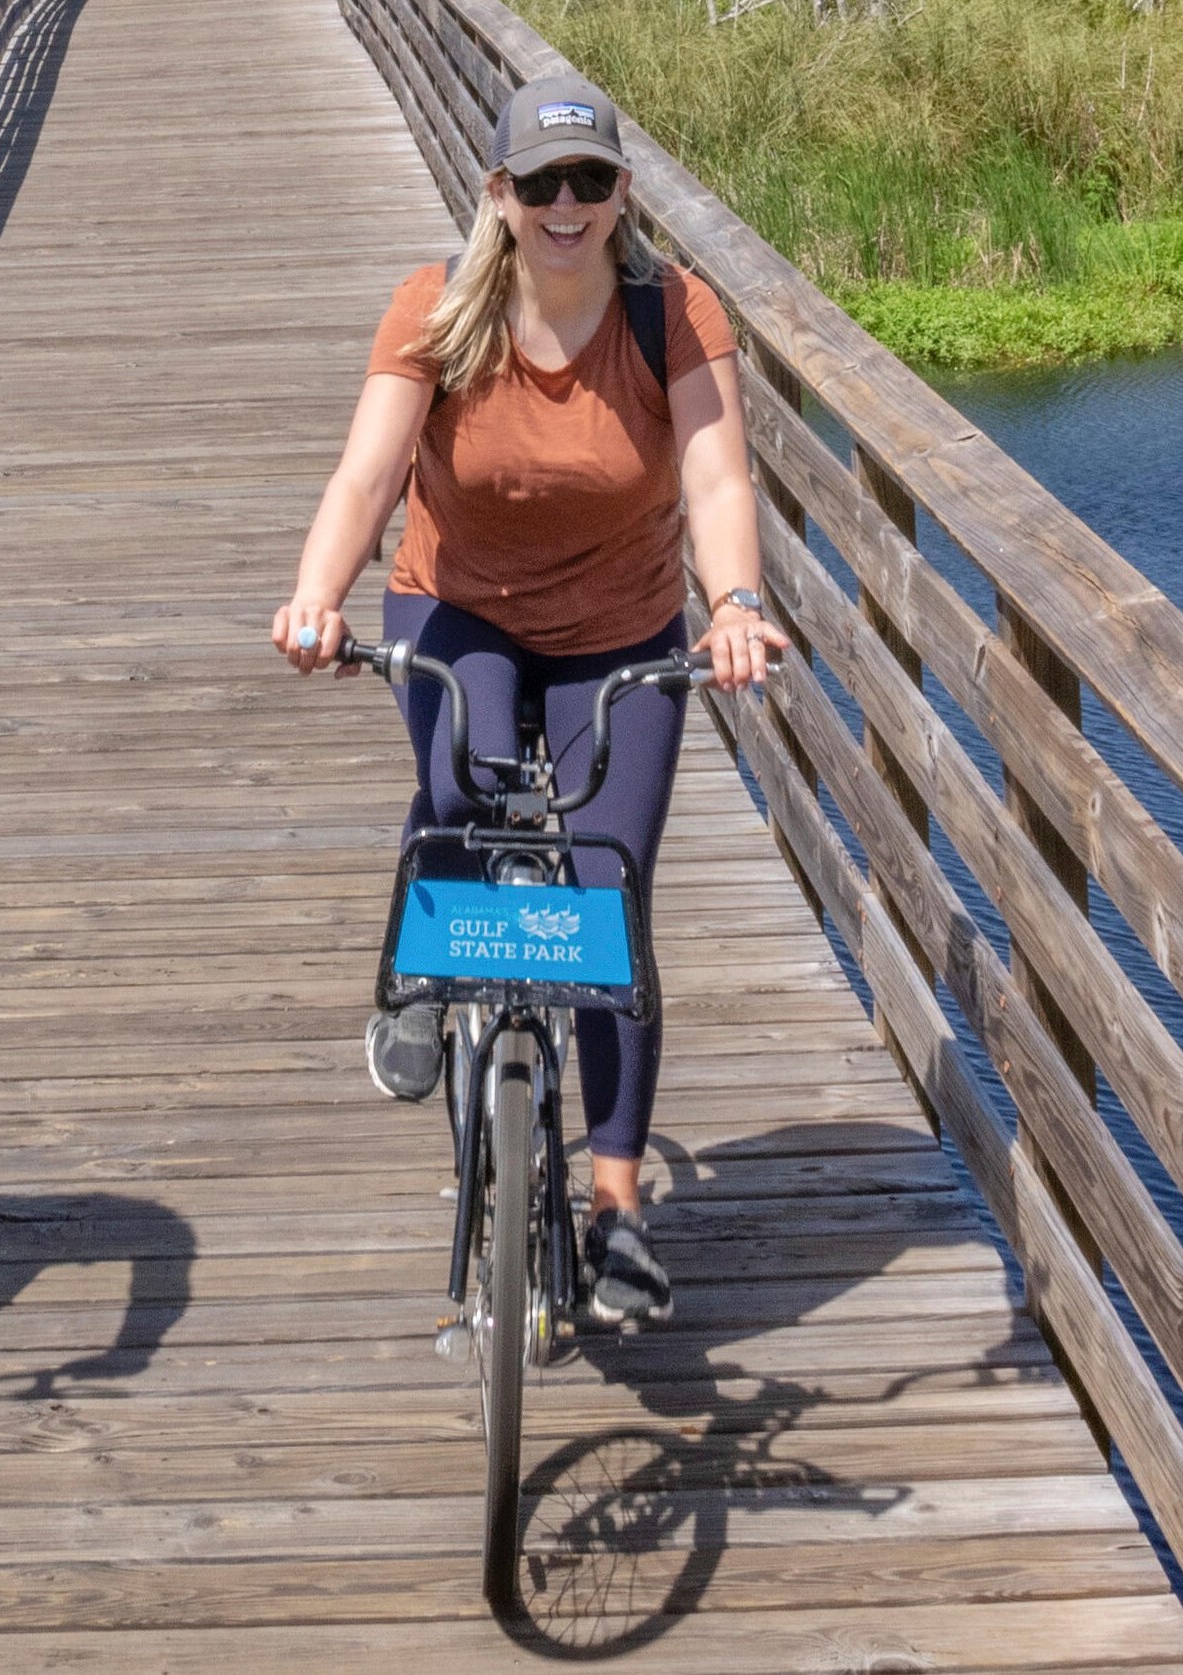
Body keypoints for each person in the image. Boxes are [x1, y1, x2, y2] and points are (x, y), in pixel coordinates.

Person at [270, 76, 788, 1325]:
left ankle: (615, 1206)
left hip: (619, 627)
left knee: (607, 890)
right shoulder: (439, 310)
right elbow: (364, 475)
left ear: (619, 194)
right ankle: (414, 977)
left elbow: (717, 485)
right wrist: (313, 596)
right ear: (496, 196)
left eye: (589, 182)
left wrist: (730, 607)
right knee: (454, 793)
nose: (566, 206)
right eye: (539, 184)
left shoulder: (671, 313)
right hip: (459, 608)